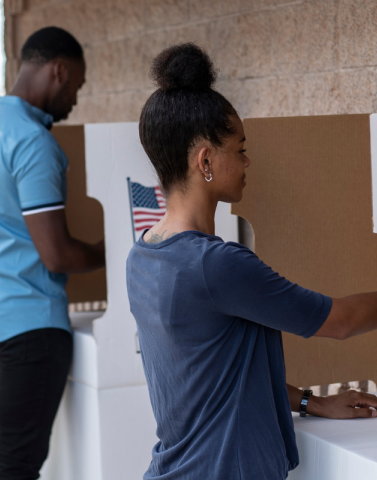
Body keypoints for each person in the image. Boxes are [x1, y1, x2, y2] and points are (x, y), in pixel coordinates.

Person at [126, 43, 377, 480]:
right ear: (205, 159)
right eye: (239, 148)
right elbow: (339, 321)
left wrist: (310, 402)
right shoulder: (215, 266)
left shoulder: (143, 255)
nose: (247, 161)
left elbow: (215, 376)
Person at [0, 26, 105, 480]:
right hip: (31, 325)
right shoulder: (33, 142)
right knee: (16, 465)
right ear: (58, 71)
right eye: (76, 86)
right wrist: (110, 250)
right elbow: (56, 254)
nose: (75, 100)